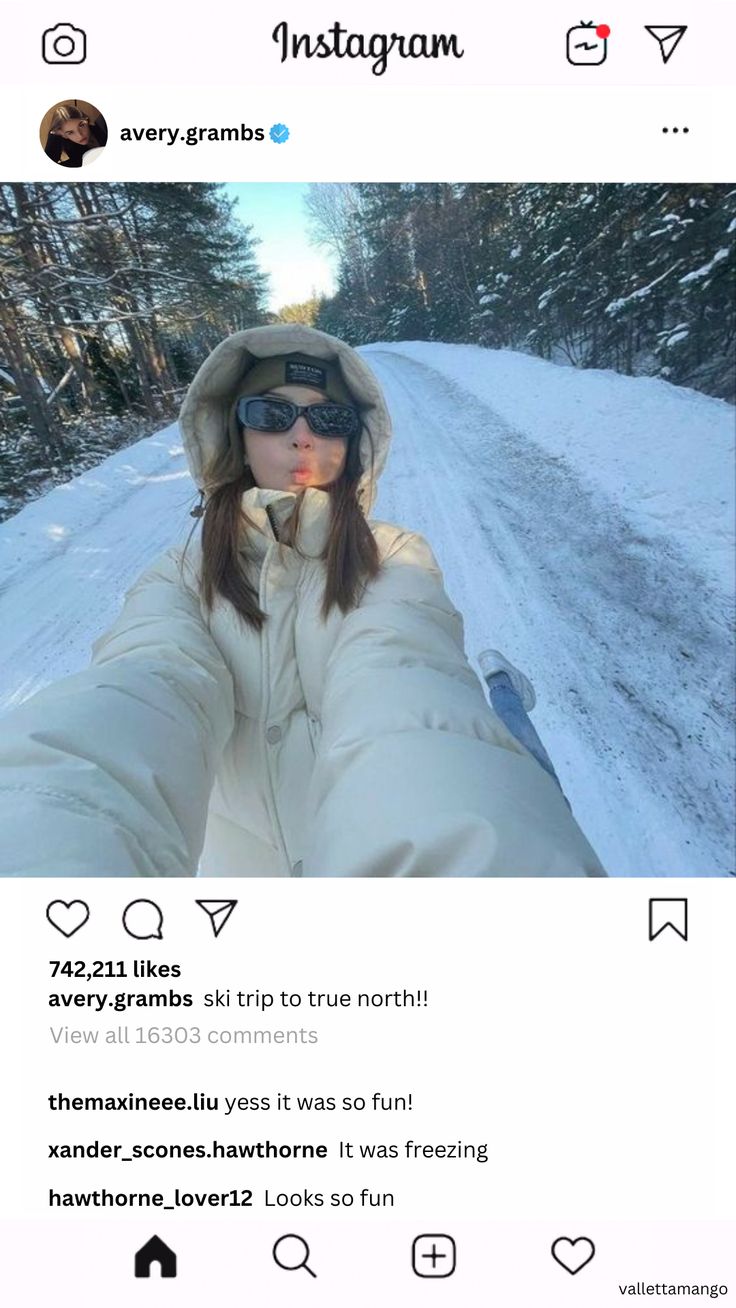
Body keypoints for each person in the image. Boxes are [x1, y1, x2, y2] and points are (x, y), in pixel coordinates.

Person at [0, 324, 605, 877]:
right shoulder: (179, 580)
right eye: (272, 413)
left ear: (355, 442)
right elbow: (139, 691)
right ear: (235, 439)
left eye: (329, 419)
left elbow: (402, 677)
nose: (303, 437)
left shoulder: (394, 558)